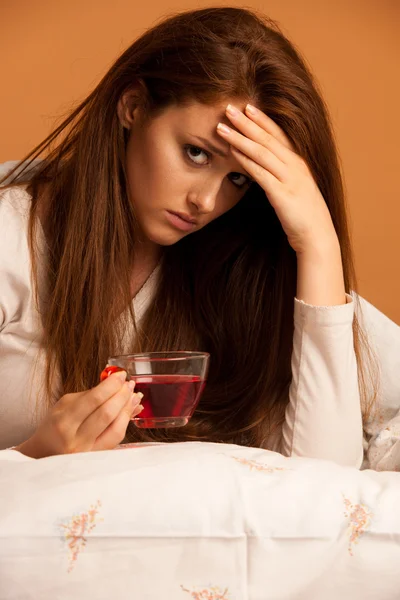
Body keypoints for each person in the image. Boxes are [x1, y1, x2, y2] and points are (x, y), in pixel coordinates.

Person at [0, 6, 378, 465]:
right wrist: (31, 455)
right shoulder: (12, 240)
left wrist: (319, 244)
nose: (206, 201)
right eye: (196, 153)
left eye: (239, 181)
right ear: (133, 107)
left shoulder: (243, 265)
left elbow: (325, 485)